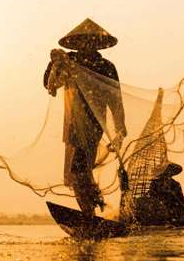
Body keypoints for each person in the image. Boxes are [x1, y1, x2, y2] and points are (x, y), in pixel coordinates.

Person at [44, 18, 127, 217]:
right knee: (77, 171)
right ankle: (92, 209)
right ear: (77, 44)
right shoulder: (69, 61)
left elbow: (115, 98)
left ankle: (90, 211)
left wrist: (120, 126)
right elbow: (50, 84)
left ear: (97, 44)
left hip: (93, 124)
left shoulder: (106, 66)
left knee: (78, 168)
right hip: (72, 123)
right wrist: (54, 64)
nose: (86, 46)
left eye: (91, 42)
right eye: (83, 42)